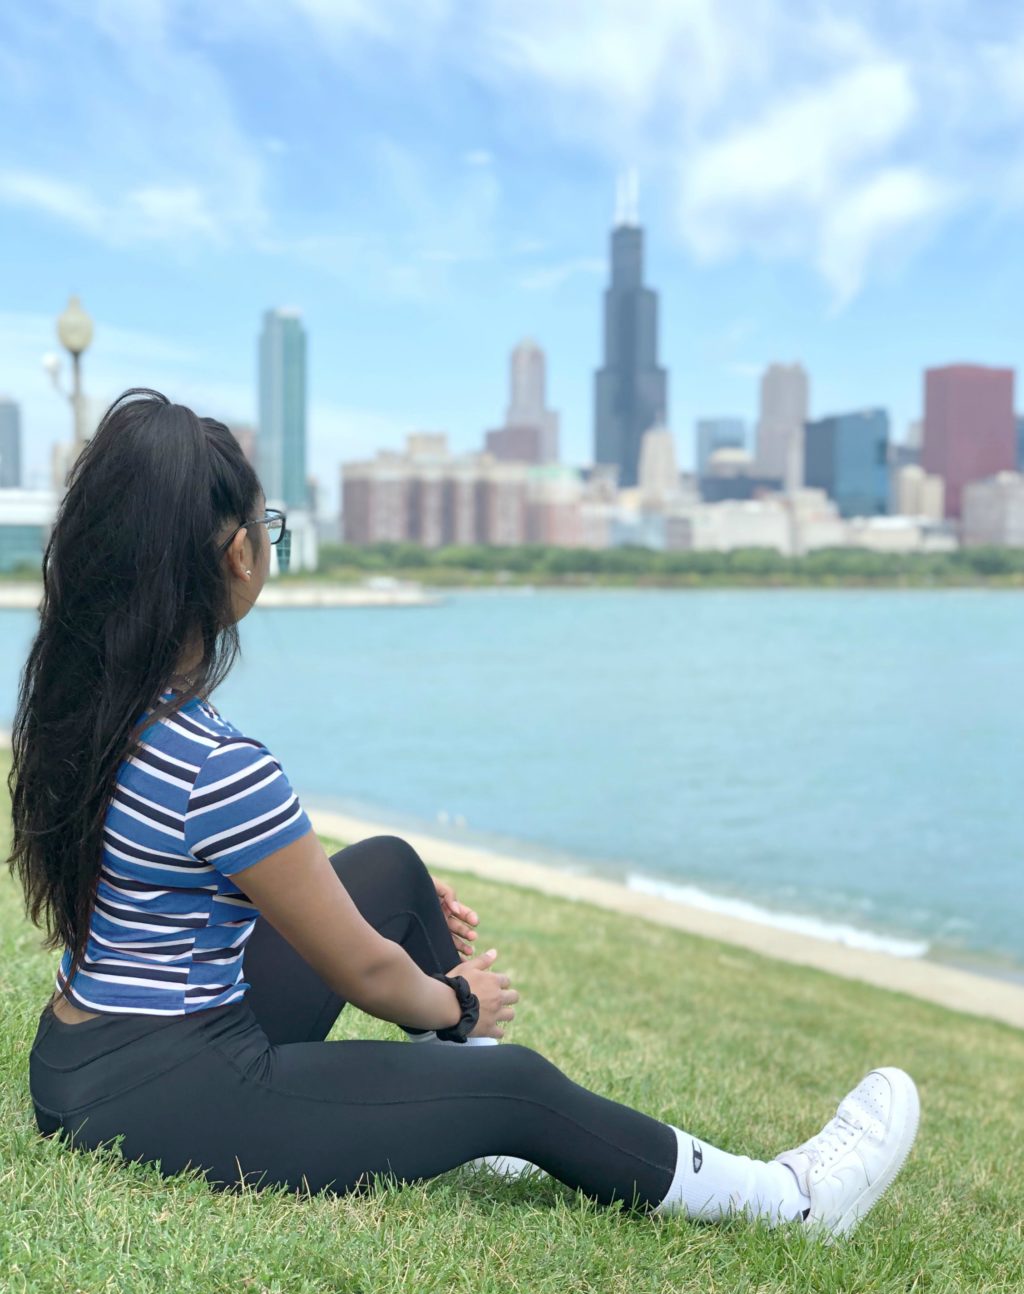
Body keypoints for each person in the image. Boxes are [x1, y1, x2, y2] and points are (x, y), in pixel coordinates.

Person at [10, 389, 919, 1239]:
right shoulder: (219, 764)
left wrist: (424, 990)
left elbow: (198, 893)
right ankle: (790, 1200)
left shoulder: (87, 710)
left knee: (389, 869)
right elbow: (365, 969)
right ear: (238, 555)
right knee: (521, 1088)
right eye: (267, 528)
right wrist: (456, 1001)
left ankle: (455, 1102)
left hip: (79, 1059)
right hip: (171, 1090)